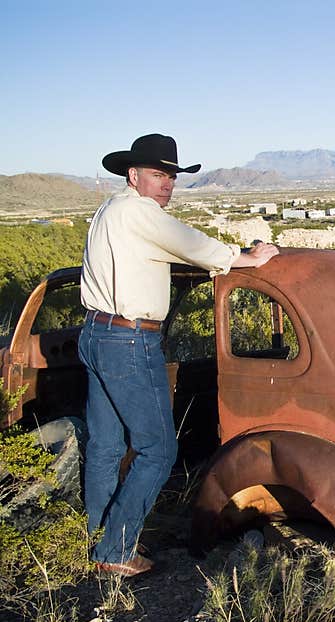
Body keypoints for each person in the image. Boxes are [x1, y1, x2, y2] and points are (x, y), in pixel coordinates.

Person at [78, 133, 279, 577]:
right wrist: (248, 256)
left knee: (107, 445)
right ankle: (116, 549)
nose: (167, 183)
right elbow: (196, 246)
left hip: (95, 332)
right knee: (158, 449)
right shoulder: (141, 212)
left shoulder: (108, 210)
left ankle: (97, 536)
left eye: (171, 175)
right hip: (129, 339)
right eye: (158, 174)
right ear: (134, 175)